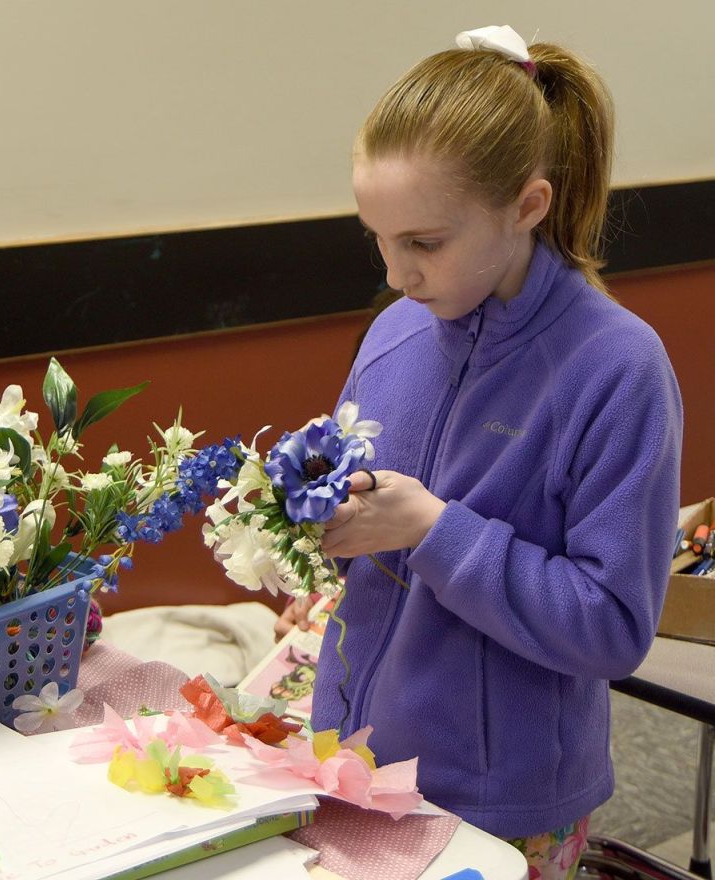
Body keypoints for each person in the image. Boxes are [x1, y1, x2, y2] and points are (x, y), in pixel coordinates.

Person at [278, 25, 683, 879]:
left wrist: (432, 529)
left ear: (527, 207)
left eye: (424, 243)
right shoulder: (396, 332)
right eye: (376, 239)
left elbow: (612, 627)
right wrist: (327, 567)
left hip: (503, 806)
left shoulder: (617, 368)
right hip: (355, 761)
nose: (397, 274)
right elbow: (366, 515)